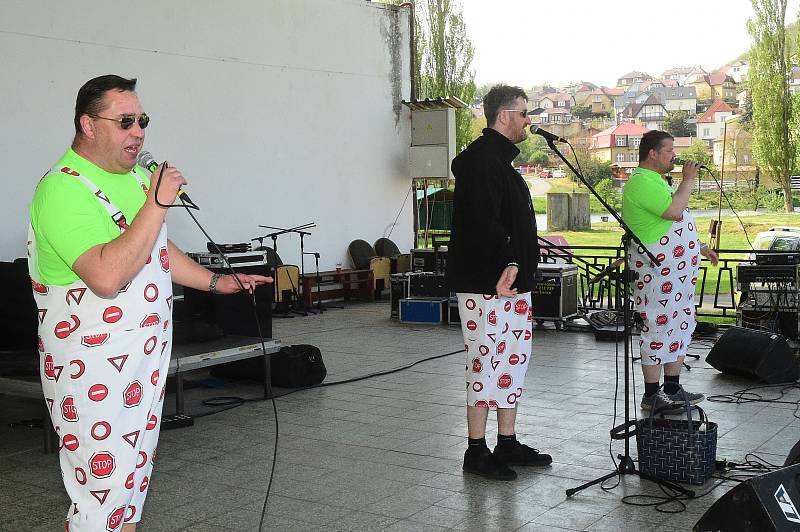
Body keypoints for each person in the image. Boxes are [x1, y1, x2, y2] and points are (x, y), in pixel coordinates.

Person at [28, 75, 272, 532]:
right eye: (125, 121)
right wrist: (158, 202)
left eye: (142, 120)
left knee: (130, 487)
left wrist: (216, 281)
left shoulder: (138, 177)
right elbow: (105, 275)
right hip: (91, 371)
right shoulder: (63, 189)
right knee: (100, 497)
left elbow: (156, 248)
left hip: (143, 365)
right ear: (88, 124)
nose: (138, 132)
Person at [446, 84, 551, 481]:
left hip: (512, 284)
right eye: (524, 113)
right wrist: (507, 260)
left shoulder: (499, 162)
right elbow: (482, 223)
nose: (528, 121)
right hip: (488, 285)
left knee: (511, 363)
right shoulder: (479, 162)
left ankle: (506, 441)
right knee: (485, 364)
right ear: (504, 115)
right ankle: (476, 450)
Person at [622, 130, 718, 413]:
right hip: (658, 275)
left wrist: (699, 247)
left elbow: (676, 222)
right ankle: (652, 395)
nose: (674, 156)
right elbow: (675, 211)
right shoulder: (641, 182)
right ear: (652, 153)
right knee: (658, 327)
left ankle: (672, 389)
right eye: (669, 150)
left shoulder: (658, 181)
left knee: (681, 326)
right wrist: (689, 180)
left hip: (677, 277)